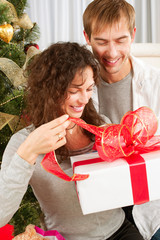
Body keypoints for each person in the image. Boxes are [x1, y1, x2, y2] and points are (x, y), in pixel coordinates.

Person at [0, 42, 143, 240]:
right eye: (75, 91)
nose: (84, 99)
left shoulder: (101, 125)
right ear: (49, 91)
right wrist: (27, 154)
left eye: (89, 89)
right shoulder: (22, 142)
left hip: (119, 230)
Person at [83, 0, 160, 239]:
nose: (112, 52)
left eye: (120, 40)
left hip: (152, 203)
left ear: (133, 35)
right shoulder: (77, 88)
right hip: (102, 205)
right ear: (87, 37)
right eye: (102, 42)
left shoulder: (155, 82)